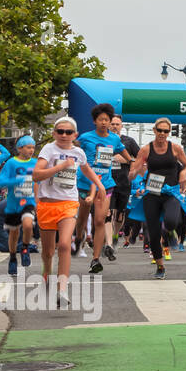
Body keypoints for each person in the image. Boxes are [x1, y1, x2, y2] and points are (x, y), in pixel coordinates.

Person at [33, 118, 107, 305]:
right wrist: (59, 167)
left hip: (68, 203)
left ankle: (62, 289)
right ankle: (46, 273)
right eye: (60, 131)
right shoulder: (48, 150)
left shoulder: (78, 152)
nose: (64, 135)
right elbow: (36, 175)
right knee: (48, 252)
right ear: (54, 133)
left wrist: (100, 185)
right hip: (47, 205)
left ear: (75, 135)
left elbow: (87, 169)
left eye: (68, 132)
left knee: (65, 244)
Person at [129, 118, 186, 279]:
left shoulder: (175, 148)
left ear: (169, 132)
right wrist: (132, 173)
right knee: (153, 232)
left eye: (166, 131)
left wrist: (183, 173)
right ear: (154, 130)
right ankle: (160, 266)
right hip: (152, 193)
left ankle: (170, 231)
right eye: (160, 130)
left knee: (172, 221)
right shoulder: (146, 150)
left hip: (170, 192)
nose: (162, 134)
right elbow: (135, 168)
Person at [74, 103, 129, 274]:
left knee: (99, 221)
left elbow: (126, 156)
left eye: (107, 120)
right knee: (82, 221)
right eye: (101, 120)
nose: (104, 123)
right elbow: (73, 151)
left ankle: (95, 259)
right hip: (85, 184)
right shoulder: (85, 138)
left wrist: (131, 161)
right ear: (95, 121)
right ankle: (81, 238)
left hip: (105, 185)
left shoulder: (114, 139)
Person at [0, 136, 40, 275]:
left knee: (28, 225)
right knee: (14, 232)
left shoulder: (35, 163)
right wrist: (15, 182)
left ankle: (25, 248)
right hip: (13, 203)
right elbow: (1, 181)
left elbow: (39, 181)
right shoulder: (11, 163)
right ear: (20, 148)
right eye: (28, 147)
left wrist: (37, 199)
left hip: (28, 202)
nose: (31, 150)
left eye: (33, 147)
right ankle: (12, 258)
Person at [108, 115, 139, 244]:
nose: (115, 126)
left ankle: (115, 235)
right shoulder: (104, 140)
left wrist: (129, 160)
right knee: (108, 212)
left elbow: (140, 159)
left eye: (117, 124)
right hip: (107, 182)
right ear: (109, 125)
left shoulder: (129, 141)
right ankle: (108, 241)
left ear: (121, 126)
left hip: (123, 182)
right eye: (113, 124)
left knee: (120, 214)